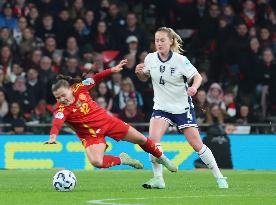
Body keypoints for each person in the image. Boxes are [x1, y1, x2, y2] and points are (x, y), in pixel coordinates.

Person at [135, 27, 228, 189]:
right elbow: (144, 78)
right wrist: (139, 73)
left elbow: (197, 76)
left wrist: (194, 88)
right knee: (152, 142)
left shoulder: (180, 60)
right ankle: (158, 179)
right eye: (157, 40)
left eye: (162, 40)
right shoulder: (150, 58)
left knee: (197, 144)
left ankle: (219, 176)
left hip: (181, 108)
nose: (159, 43)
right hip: (161, 107)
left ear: (171, 41)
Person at [45, 59, 177, 173]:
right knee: (97, 162)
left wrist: (112, 70)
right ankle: (123, 160)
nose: (61, 99)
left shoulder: (79, 87)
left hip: (108, 122)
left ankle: (162, 158)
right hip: (91, 134)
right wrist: (53, 137)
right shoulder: (62, 109)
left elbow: (96, 78)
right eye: (58, 98)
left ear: (69, 88)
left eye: (63, 95)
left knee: (141, 139)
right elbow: (57, 122)